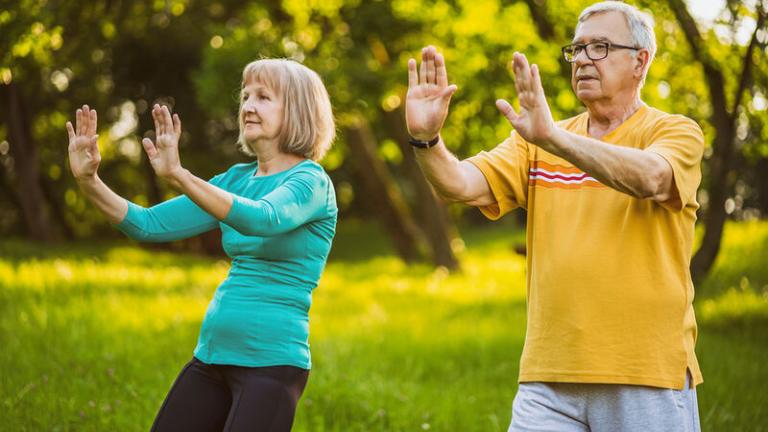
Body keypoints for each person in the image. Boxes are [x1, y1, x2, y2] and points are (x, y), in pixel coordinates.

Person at [405, 2, 704, 431]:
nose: (582, 58)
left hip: (645, 374)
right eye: (577, 48)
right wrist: (426, 139)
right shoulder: (538, 140)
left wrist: (555, 139)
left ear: (640, 62)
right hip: (548, 378)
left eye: (599, 47)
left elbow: (654, 178)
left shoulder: (673, 130)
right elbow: (458, 185)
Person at [66, 58, 337, 432]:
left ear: (298, 110)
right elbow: (148, 225)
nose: (248, 106)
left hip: (271, 367)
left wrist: (179, 174)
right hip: (211, 358)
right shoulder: (235, 179)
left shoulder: (312, 182)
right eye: (245, 96)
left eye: (263, 96)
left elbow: (263, 218)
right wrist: (89, 181)